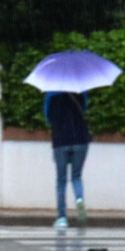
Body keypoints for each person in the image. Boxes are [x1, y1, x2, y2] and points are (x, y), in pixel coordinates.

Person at [45, 89, 90, 229]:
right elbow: (85, 108)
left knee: (61, 180)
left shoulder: (51, 94)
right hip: (81, 139)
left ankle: (62, 217)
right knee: (76, 176)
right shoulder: (81, 91)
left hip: (60, 141)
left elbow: (47, 116)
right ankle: (79, 199)